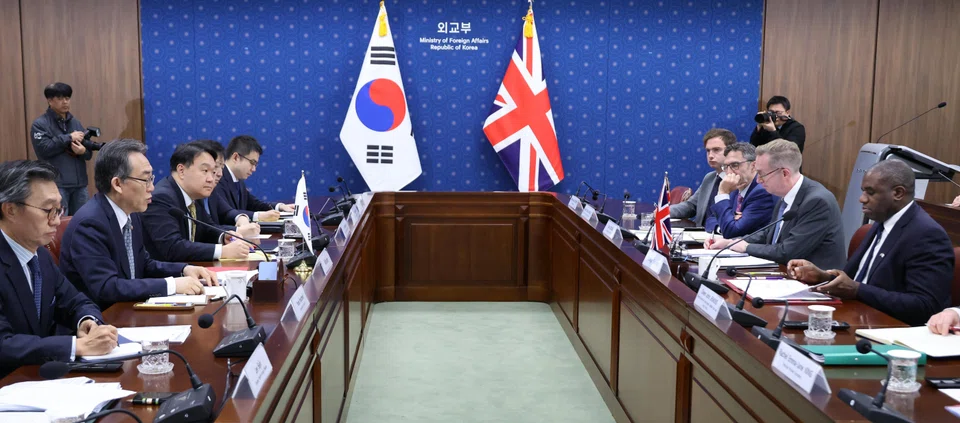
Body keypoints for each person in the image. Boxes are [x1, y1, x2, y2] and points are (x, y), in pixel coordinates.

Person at [59, 140, 219, 311]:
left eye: (152, 178)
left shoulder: (131, 215)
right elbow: (107, 288)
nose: (151, 187)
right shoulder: (90, 224)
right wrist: (171, 285)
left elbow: (144, 264)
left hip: (128, 311)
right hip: (102, 322)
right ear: (117, 184)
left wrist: (184, 269)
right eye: (145, 179)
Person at [790, 160, 954, 326]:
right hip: (855, 315)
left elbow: (925, 306)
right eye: (863, 191)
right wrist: (823, 276)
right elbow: (856, 280)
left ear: (898, 193)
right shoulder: (882, 221)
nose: (862, 199)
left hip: (888, 329)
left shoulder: (926, 235)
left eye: (870, 192)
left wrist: (857, 290)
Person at [0, 160, 116, 377]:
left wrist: (87, 321)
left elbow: (75, 301)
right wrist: (76, 347)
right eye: (48, 210)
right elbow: (4, 344)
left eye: (59, 209)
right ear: (10, 210)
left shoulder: (40, 255)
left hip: (35, 377)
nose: (56, 220)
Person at [708, 139, 846, 270]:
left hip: (816, 286)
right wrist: (732, 242)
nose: (759, 180)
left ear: (785, 173)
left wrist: (746, 247)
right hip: (786, 273)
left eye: (762, 174)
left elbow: (788, 251)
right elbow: (769, 233)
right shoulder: (785, 195)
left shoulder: (817, 201)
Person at [140, 143, 251, 262]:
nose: (211, 179)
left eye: (213, 172)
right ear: (181, 170)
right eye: (205, 170)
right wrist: (222, 251)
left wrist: (224, 236)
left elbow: (206, 227)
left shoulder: (193, 195)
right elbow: (173, 247)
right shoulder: (162, 198)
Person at [30, 82, 96, 216]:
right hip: (57, 184)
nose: (65, 102)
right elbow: (44, 149)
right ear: (49, 100)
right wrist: (68, 137)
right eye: (60, 98)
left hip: (80, 185)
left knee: (82, 222)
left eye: (67, 98)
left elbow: (88, 153)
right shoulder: (40, 124)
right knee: (58, 225)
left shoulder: (75, 122)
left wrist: (83, 152)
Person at [670, 128, 737, 232]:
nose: (710, 155)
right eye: (708, 151)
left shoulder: (737, 181)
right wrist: (663, 212)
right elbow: (691, 206)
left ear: (731, 151)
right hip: (699, 234)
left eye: (716, 150)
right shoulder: (709, 178)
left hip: (720, 236)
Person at [190, 139, 260, 238]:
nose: (219, 173)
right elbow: (204, 230)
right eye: (214, 167)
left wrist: (241, 217)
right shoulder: (168, 197)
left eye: (221, 167)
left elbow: (226, 211)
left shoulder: (210, 189)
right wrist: (237, 230)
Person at [706, 143, 776, 239]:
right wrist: (722, 227)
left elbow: (732, 231)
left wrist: (722, 193)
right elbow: (711, 219)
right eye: (726, 166)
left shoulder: (762, 192)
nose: (729, 172)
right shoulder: (734, 189)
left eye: (735, 165)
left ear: (753, 166)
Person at [217, 135, 295, 222]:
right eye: (252, 162)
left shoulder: (238, 180)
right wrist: (259, 216)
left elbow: (253, 204)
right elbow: (225, 212)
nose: (254, 169)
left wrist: (280, 207)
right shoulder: (218, 178)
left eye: (255, 164)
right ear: (236, 157)